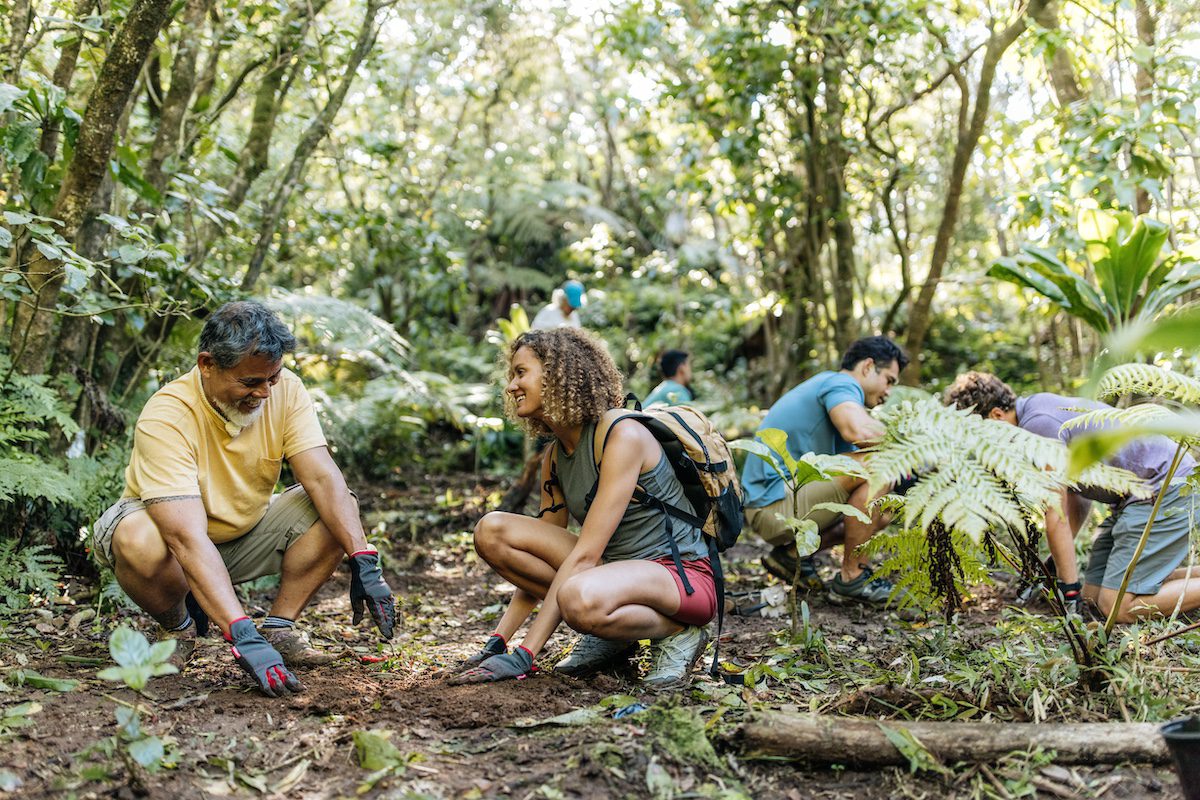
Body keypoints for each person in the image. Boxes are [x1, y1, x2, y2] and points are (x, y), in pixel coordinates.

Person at [91, 301, 396, 697]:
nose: (265, 392)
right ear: (207, 364)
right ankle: (180, 629)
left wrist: (364, 560)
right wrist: (240, 633)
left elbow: (323, 477)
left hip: (244, 531)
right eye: (251, 382)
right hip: (175, 547)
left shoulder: (284, 390)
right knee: (135, 537)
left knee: (337, 506)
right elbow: (185, 537)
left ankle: (279, 629)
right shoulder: (167, 414)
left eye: (273, 377)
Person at [450, 328, 715, 687]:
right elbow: (543, 564)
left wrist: (524, 655)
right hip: (613, 574)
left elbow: (584, 558)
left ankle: (680, 631)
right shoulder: (555, 457)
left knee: (577, 597)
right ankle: (615, 631)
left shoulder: (622, 436)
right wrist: (497, 643)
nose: (511, 386)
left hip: (680, 577)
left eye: (520, 372)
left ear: (557, 374)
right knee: (492, 531)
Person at [944, 371, 1200, 623]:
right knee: (1093, 598)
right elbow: (1078, 499)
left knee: (1116, 607)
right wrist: (1056, 569)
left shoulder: (1037, 426)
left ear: (996, 416)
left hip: (1166, 488)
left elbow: (1056, 514)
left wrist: (1069, 589)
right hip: (1135, 499)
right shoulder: (1035, 409)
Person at [741, 335, 905, 604]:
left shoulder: (838, 391)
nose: (889, 391)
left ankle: (793, 555)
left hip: (777, 503)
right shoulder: (841, 384)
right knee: (878, 466)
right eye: (889, 379)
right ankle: (853, 577)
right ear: (867, 366)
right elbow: (858, 430)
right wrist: (913, 444)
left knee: (882, 511)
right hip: (772, 504)